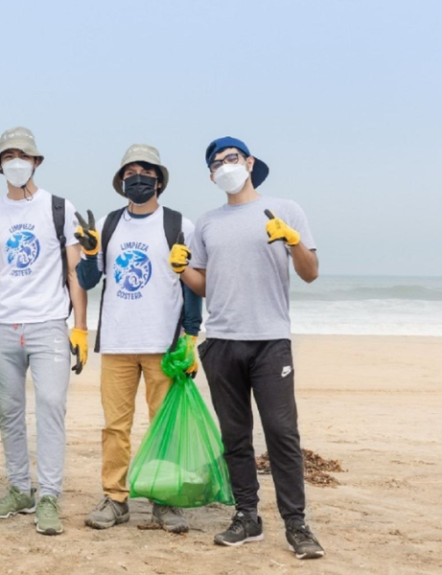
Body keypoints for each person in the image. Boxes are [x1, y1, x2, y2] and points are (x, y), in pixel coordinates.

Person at [179, 137, 324, 559]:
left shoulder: (286, 209)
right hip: (222, 340)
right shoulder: (207, 223)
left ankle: (296, 525)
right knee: (235, 436)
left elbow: (311, 273)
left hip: (270, 340)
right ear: (210, 176)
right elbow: (205, 286)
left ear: (249, 162)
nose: (225, 166)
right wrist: (182, 270)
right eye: (216, 163)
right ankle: (247, 516)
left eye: (231, 158)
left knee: (282, 433)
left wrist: (292, 240)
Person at [73, 144, 202, 534]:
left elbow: (193, 286)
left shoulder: (181, 224)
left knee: (165, 426)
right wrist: (88, 253)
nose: (137, 179)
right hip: (117, 343)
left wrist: (191, 339)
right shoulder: (109, 225)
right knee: (115, 427)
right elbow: (88, 281)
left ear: (159, 180)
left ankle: (165, 501)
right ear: (121, 181)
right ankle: (115, 499)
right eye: (130, 173)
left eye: (145, 172)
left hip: (164, 344)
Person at [0, 127, 88, 536]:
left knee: (51, 406)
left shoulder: (59, 207)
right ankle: (20, 489)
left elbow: (75, 272)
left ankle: (49, 495)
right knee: (9, 413)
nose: (15, 162)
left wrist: (81, 330)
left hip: (49, 323)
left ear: (36, 161)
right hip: (1, 325)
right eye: (8, 156)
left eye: (23, 155)